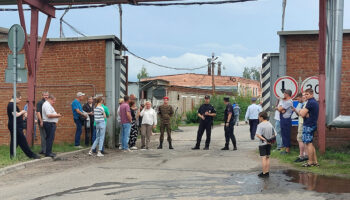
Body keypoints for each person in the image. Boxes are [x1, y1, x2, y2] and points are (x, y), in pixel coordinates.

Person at [7, 92, 40, 159]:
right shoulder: (11, 105)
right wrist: (23, 111)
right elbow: (15, 115)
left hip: (16, 126)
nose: (20, 100)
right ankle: (31, 155)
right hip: (15, 126)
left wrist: (22, 113)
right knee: (22, 141)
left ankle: (12, 156)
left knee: (15, 141)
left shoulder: (13, 105)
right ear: (15, 98)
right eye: (19, 99)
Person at [300, 88, 319, 167]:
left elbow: (302, 114)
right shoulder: (314, 102)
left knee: (308, 143)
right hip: (312, 124)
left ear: (312, 94)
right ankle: (315, 161)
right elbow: (304, 114)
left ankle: (310, 162)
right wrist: (305, 113)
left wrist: (303, 112)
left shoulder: (310, 102)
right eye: (305, 94)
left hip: (308, 124)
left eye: (307, 94)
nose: (306, 96)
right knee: (310, 143)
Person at [255, 111, 276, 178]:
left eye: (259, 117)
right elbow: (275, 134)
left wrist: (264, 139)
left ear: (261, 117)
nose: (258, 118)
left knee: (263, 158)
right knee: (267, 157)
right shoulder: (270, 124)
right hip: (269, 144)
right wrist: (270, 140)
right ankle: (267, 172)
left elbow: (258, 135)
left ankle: (264, 173)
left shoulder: (260, 125)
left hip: (262, 144)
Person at [292, 93, 308, 162]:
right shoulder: (302, 104)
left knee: (300, 139)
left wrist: (298, 111)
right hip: (301, 122)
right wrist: (296, 110)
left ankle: (302, 155)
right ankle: (304, 154)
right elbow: (299, 114)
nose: (298, 100)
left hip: (302, 122)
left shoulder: (305, 104)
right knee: (303, 139)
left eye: (298, 99)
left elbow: (302, 114)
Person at [278, 89, 294, 154]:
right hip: (284, 119)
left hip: (286, 119)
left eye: (284, 94)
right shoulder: (286, 101)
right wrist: (280, 109)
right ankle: (285, 148)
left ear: (287, 94)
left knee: (286, 134)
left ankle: (287, 150)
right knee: (283, 134)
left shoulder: (289, 102)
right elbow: (280, 109)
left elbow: (280, 108)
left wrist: (279, 108)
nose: (283, 95)